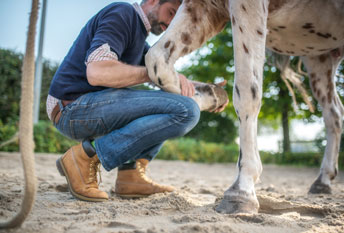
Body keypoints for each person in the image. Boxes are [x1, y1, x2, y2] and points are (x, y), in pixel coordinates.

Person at [47, 0, 226, 202]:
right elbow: (97, 72)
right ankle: (84, 157)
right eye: (171, 12)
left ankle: (130, 175)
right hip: (72, 108)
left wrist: (207, 90)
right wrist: (154, 73)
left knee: (176, 100)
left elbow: (162, 78)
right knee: (186, 110)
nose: (171, 23)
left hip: (88, 108)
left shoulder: (142, 44)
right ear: (152, 2)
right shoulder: (123, 14)